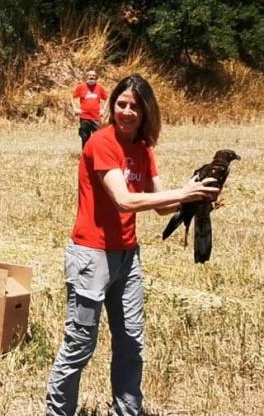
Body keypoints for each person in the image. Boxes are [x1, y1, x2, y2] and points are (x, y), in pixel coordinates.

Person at [46, 74, 221, 416]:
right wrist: (183, 194)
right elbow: (124, 201)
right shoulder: (100, 142)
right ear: (112, 106)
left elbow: (159, 205)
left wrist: (192, 196)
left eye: (134, 106)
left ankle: (127, 411)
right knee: (80, 346)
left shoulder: (143, 150)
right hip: (91, 256)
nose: (126, 111)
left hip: (127, 258)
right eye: (121, 104)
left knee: (131, 344)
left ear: (146, 112)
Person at [71, 70, 108, 149]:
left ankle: (97, 154)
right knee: (85, 138)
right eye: (89, 75)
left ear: (96, 77)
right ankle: (85, 155)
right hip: (84, 117)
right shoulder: (81, 87)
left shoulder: (99, 88)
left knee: (98, 138)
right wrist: (75, 108)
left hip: (96, 118)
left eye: (93, 76)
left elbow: (107, 98)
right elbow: (72, 96)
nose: (91, 77)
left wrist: (104, 109)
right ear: (86, 77)